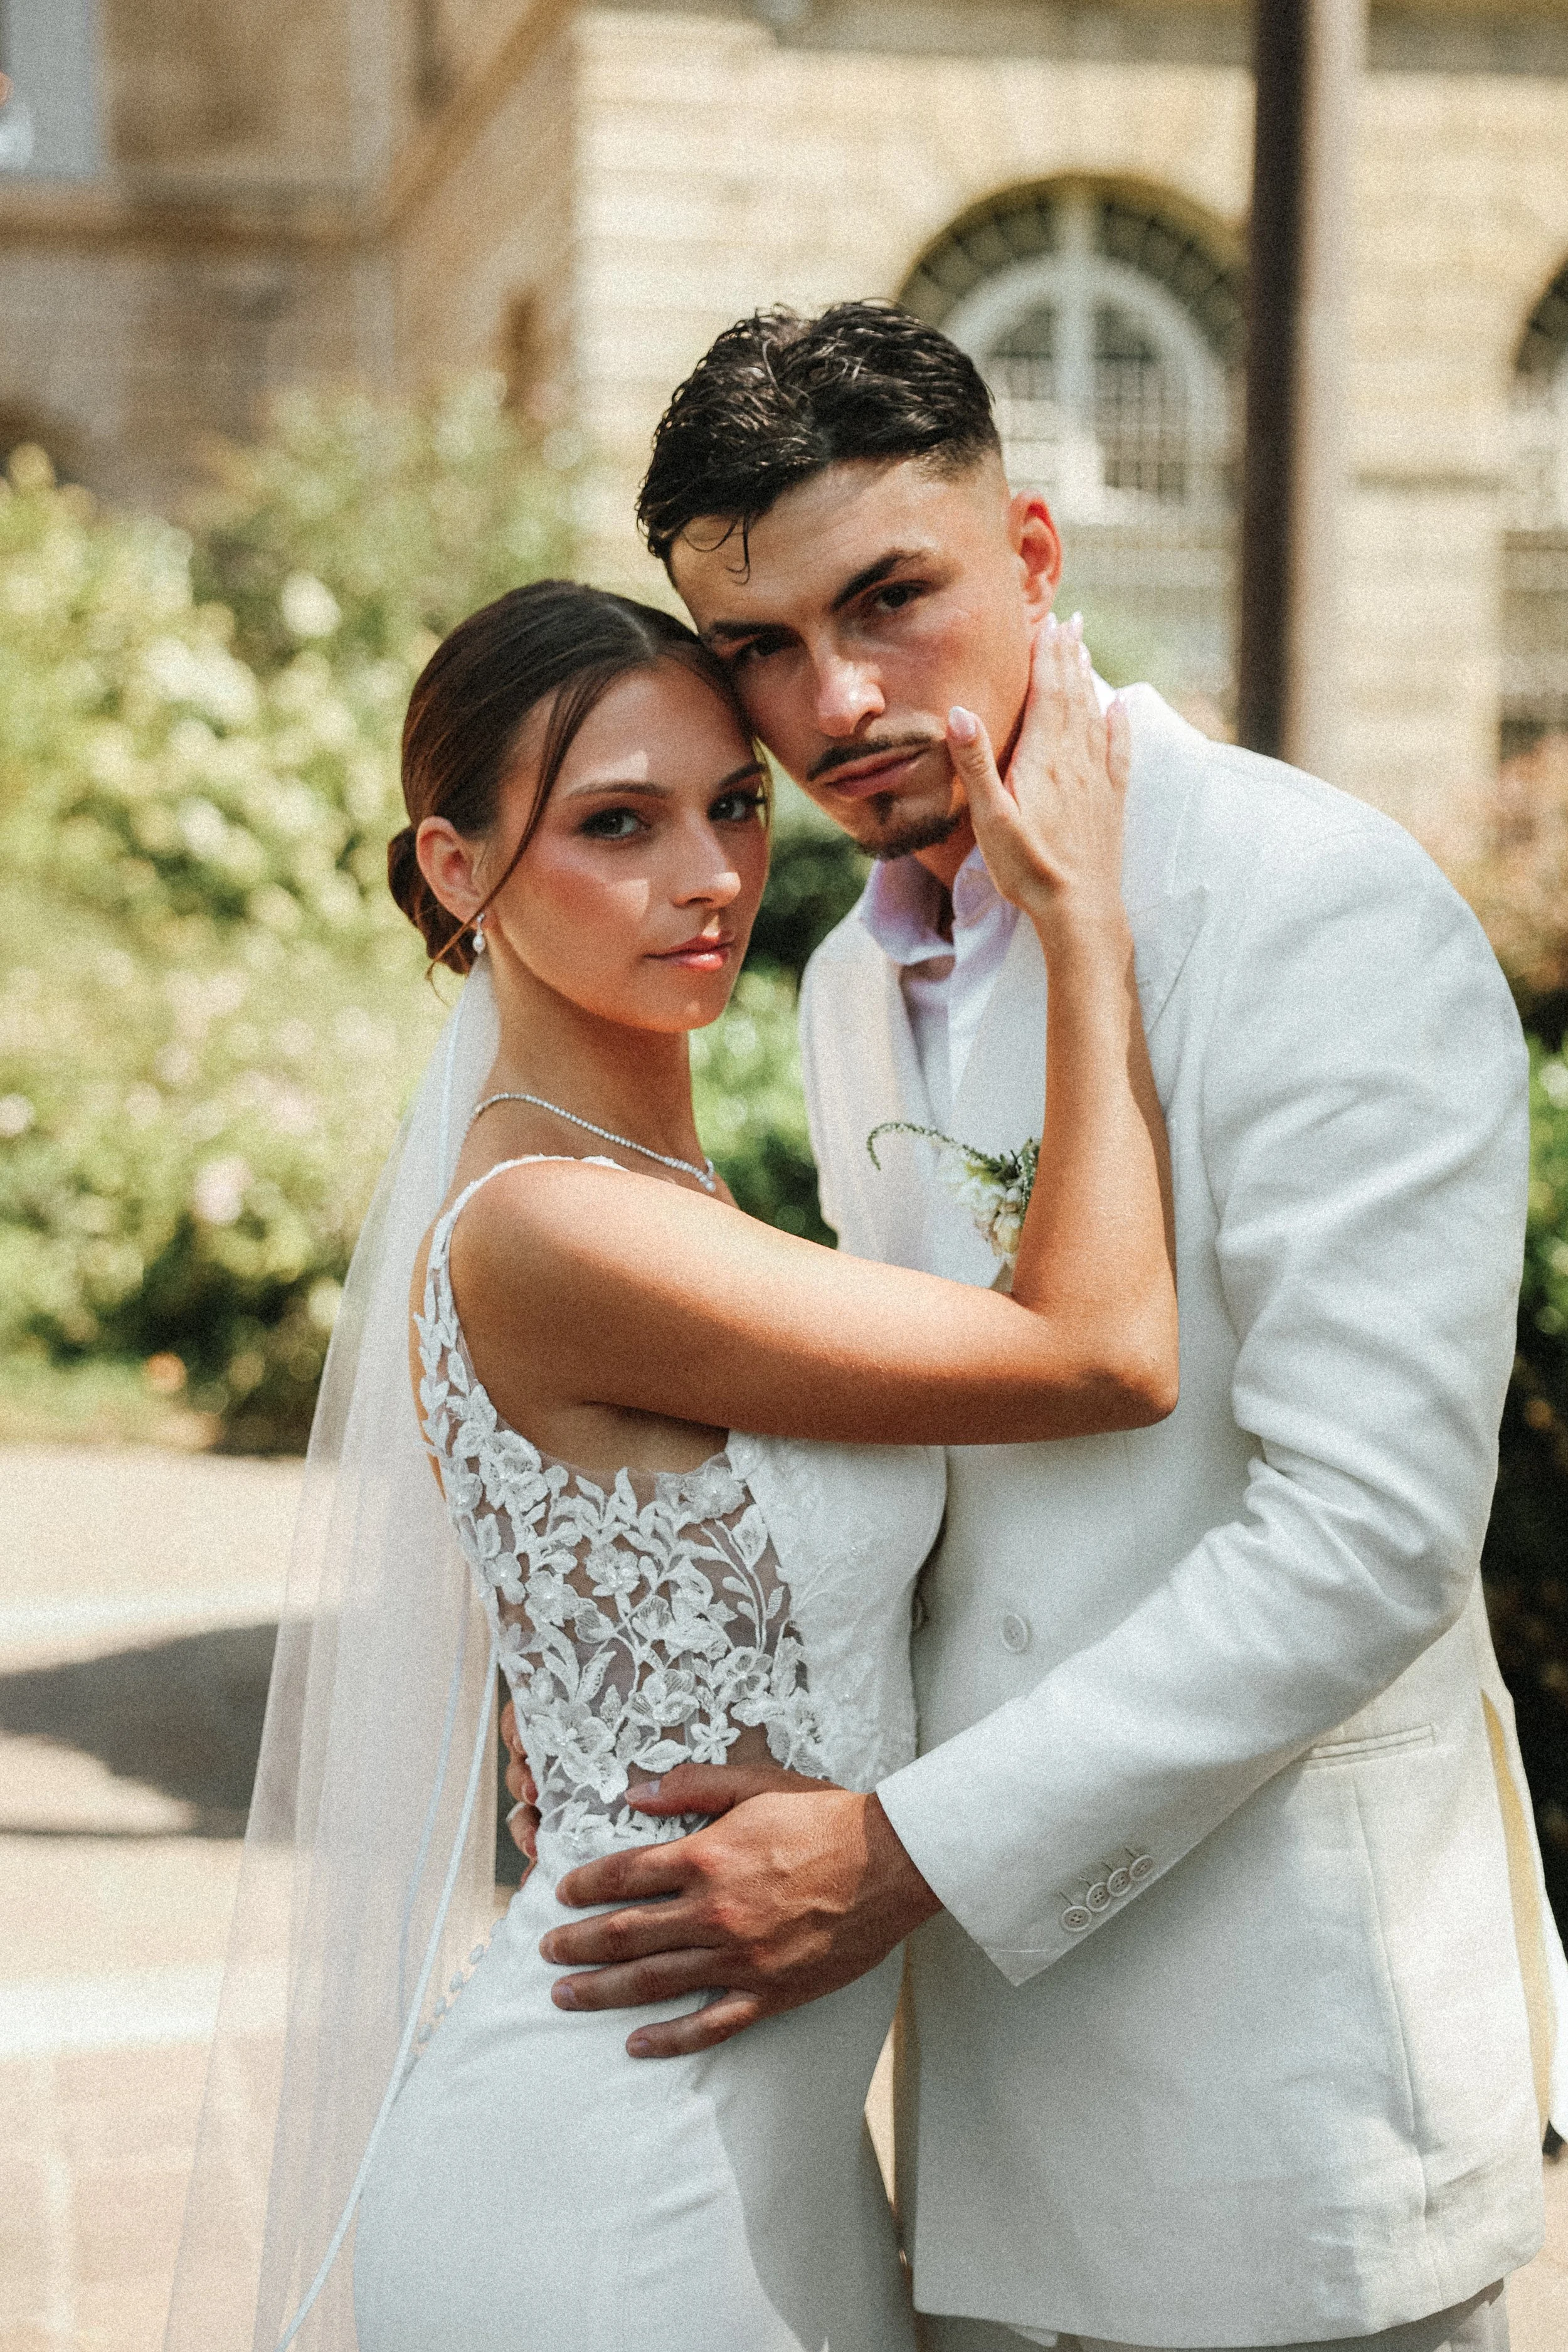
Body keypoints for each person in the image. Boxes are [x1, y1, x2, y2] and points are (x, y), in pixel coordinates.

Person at [515, 304, 1568, 2352]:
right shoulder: (835, 992)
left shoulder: (1304, 901)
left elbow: (1365, 1536)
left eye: (889, 599)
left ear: (1030, 549)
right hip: (966, 2108)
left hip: (1273, 2100)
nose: (833, 702)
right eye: (757, 651)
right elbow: (934, 1499)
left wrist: (897, 1853)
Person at [167, 573, 1175, 2352]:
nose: (708, 876)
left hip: (776, 2163)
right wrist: (1079, 923)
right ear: (457, 868)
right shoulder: (556, 1229)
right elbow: (1095, 1354)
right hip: (602, 2176)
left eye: (729, 803)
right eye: (614, 823)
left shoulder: (672, 1205)